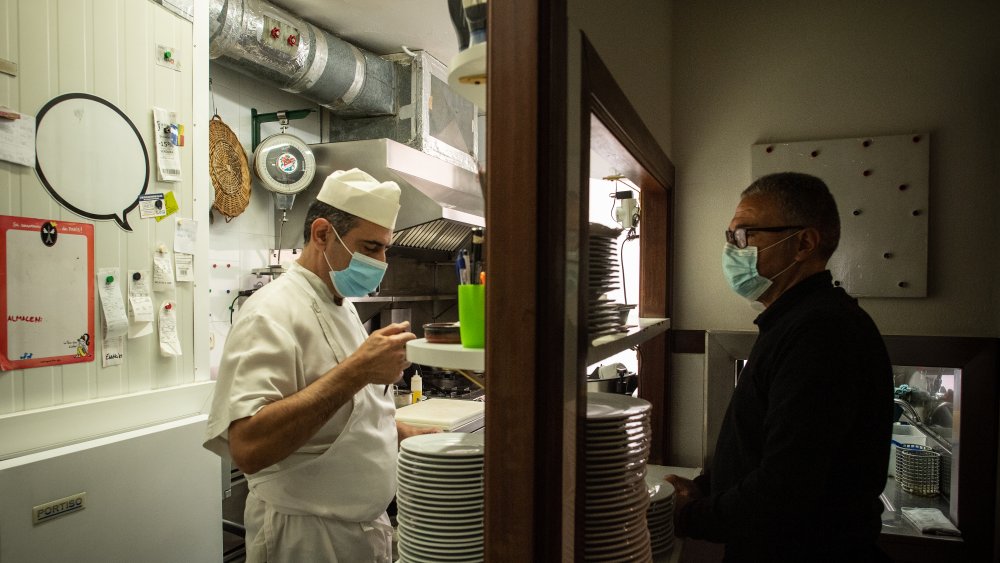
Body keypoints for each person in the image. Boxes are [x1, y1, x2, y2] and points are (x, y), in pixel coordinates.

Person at [204, 168, 432, 562]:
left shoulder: (339, 304)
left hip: (359, 532)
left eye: (385, 250)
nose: (381, 262)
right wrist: (359, 370)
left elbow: (346, 416)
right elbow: (248, 447)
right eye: (371, 248)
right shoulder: (272, 311)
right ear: (322, 234)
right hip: (306, 539)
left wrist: (407, 435)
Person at [666, 172, 893, 562]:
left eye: (745, 235)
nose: (732, 250)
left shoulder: (822, 333)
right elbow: (769, 446)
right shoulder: (796, 321)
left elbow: (788, 486)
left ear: (803, 243)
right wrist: (706, 488)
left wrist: (689, 516)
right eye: (729, 237)